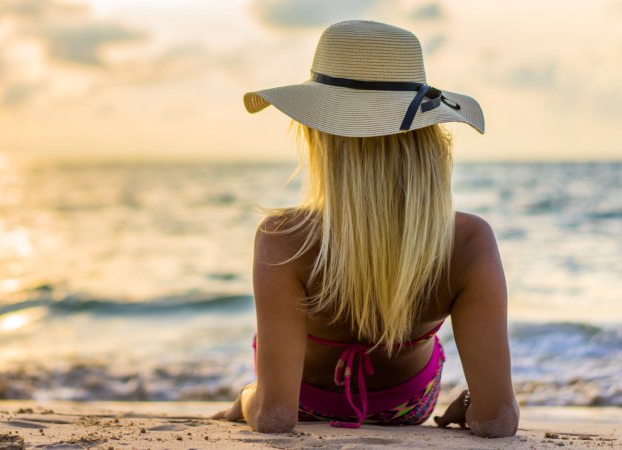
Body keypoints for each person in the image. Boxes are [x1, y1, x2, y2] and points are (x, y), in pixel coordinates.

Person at [212, 20, 519, 438]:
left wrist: (249, 395)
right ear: (427, 137)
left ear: (316, 135)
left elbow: (274, 417)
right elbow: (498, 421)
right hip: (408, 404)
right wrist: (472, 402)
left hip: (308, 403)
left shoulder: (283, 236)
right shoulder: (469, 241)